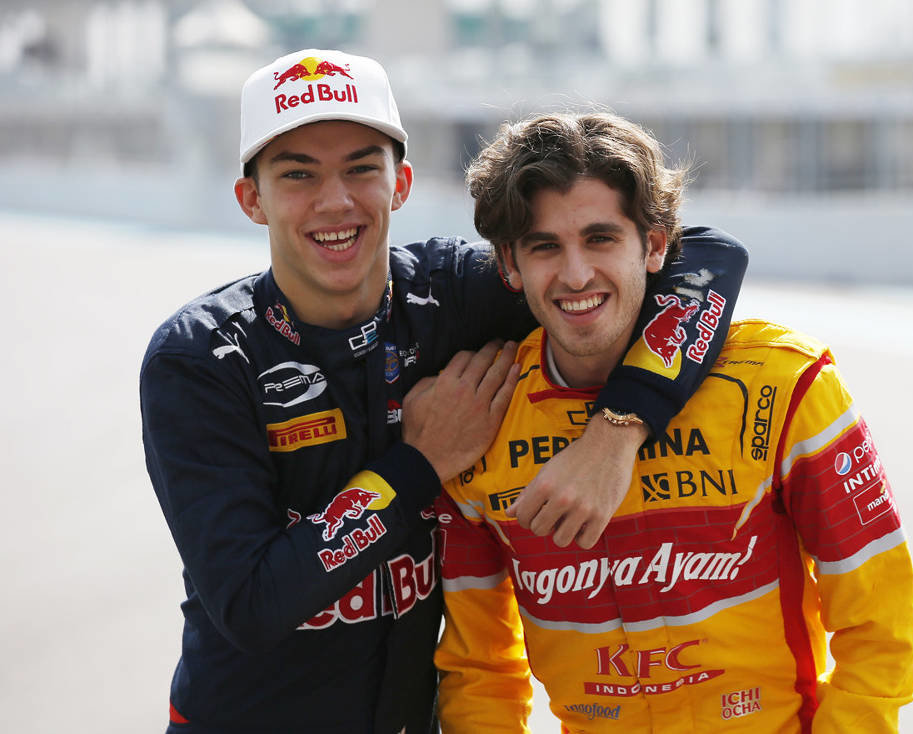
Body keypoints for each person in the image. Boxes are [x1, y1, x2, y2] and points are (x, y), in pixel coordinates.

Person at [140, 49, 747, 733]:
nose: (335, 200)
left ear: (399, 183)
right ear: (253, 199)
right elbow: (252, 605)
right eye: (298, 174)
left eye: (361, 169)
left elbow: (706, 257)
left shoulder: (451, 294)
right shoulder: (201, 358)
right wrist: (417, 466)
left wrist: (618, 430)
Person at [436, 111, 913, 732]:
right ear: (509, 264)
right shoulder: (482, 415)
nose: (576, 274)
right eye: (544, 246)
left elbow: (881, 626)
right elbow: (481, 670)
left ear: (658, 244)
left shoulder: (783, 385)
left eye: (601, 238)